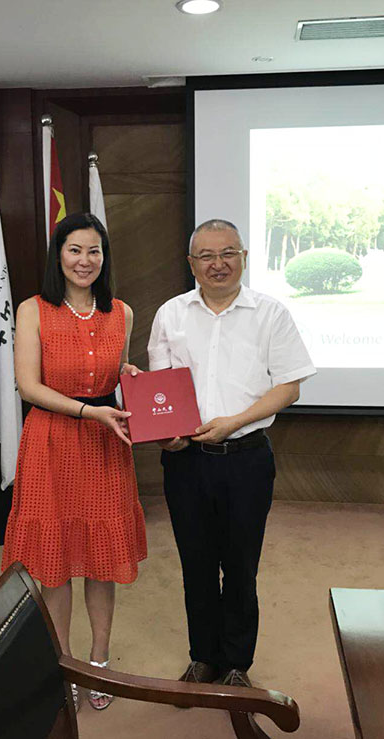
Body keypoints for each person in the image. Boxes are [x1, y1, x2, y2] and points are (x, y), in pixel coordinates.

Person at [148, 218, 315, 688]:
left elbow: (289, 387)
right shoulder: (171, 314)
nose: (217, 264)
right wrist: (166, 434)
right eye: (206, 255)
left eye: (228, 253)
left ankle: (237, 663)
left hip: (247, 459)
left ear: (243, 257)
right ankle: (203, 656)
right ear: (191, 264)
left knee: (241, 566)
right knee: (196, 564)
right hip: (185, 462)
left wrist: (235, 422)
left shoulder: (270, 313)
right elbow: (161, 391)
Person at [1, 212, 147, 711]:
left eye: (94, 251)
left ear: (105, 258)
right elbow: (29, 386)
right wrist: (88, 411)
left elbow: (113, 374)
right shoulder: (33, 310)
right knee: (56, 563)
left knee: (101, 561)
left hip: (105, 445)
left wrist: (127, 374)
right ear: (58, 255)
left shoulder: (121, 313)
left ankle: (99, 662)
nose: (85, 261)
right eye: (75, 250)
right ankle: (63, 664)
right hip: (52, 443)